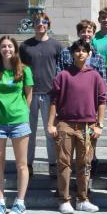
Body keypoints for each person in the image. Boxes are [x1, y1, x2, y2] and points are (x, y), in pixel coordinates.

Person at [47, 40, 107, 214]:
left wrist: (100, 124)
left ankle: (82, 199)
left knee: (85, 163)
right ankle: (64, 199)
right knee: (64, 163)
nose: (80, 53)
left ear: (89, 54)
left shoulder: (95, 76)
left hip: (87, 125)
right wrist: (51, 124)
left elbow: (101, 101)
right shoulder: (63, 75)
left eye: (84, 51)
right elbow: (54, 102)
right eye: (77, 51)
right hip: (65, 123)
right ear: (72, 54)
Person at [0, 35, 34, 214]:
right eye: (3, 46)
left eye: (10, 46)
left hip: (19, 121)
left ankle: (20, 202)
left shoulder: (24, 70)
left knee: (21, 164)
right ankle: (0, 202)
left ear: (15, 49)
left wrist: (24, 112)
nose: (7, 49)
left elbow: (29, 95)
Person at [19, 13, 62, 178]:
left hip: (50, 95)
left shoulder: (56, 46)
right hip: (29, 94)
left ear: (48, 25)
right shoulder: (25, 46)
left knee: (51, 132)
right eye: (37, 22)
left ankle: (53, 164)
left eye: (44, 22)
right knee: (28, 133)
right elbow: (19, 70)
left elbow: (61, 70)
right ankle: (27, 165)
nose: (40, 24)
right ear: (33, 25)